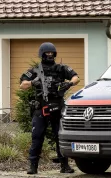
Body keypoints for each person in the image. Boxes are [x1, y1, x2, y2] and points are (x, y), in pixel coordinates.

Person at [19, 42, 80, 175]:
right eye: (47, 53)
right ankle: (33, 167)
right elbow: (22, 85)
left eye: (52, 53)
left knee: (60, 136)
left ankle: (65, 166)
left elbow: (76, 78)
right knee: (37, 137)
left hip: (57, 107)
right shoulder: (34, 70)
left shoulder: (60, 68)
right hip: (41, 108)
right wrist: (32, 82)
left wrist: (68, 84)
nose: (50, 55)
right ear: (42, 54)